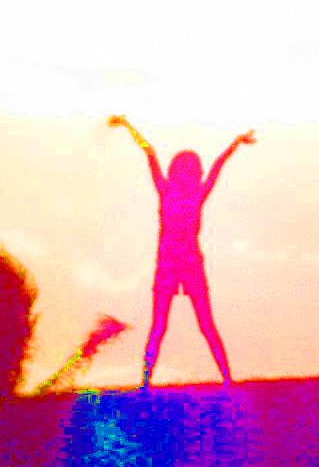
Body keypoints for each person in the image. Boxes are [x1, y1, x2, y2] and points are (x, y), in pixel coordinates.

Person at [108, 115, 252, 388]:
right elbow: (149, 152)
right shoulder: (178, 192)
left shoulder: (182, 193)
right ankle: (152, 381)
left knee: (193, 325)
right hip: (173, 264)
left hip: (183, 263)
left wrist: (234, 145)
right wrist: (128, 127)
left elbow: (150, 152)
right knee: (170, 325)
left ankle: (222, 379)